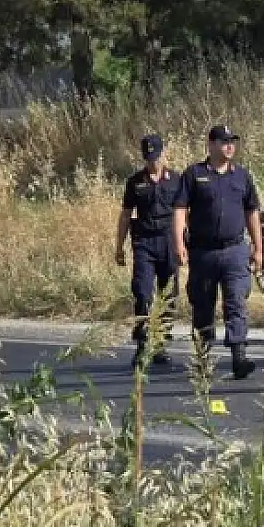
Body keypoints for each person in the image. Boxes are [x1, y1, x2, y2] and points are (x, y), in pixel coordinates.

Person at [173, 124, 264, 381]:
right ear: (211, 144)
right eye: (224, 142)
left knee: (236, 301)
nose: (229, 146)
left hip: (235, 250)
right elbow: (180, 209)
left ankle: (239, 356)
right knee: (203, 305)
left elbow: (252, 212)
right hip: (203, 252)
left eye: (232, 141)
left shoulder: (242, 176)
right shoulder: (194, 174)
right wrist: (179, 243)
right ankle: (203, 357)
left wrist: (258, 247)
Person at [115, 134, 182, 370]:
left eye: (156, 157)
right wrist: (119, 246)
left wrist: (183, 244)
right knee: (143, 293)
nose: (152, 162)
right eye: (148, 158)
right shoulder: (135, 182)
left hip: (168, 241)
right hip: (144, 242)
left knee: (169, 295)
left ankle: (160, 344)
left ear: (163, 154)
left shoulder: (176, 180)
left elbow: (183, 213)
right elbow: (125, 215)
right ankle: (143, 345)